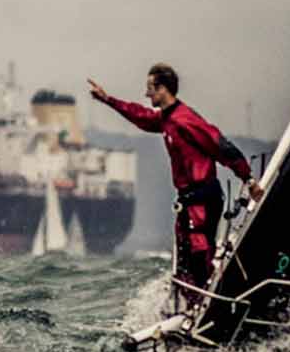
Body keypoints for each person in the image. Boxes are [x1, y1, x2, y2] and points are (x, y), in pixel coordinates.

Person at [88, 63, 264, 309]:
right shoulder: (166, 119)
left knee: (199, 253)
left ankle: (210, 305)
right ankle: (188, 310)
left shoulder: (185, 120)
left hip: (203, 198)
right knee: (183, 263)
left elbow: (221, 146)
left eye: (150, 88)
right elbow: (142, 116)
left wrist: (249, 179)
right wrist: (108, 100)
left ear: (163, 89)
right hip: (188, 201)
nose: (146, 94)